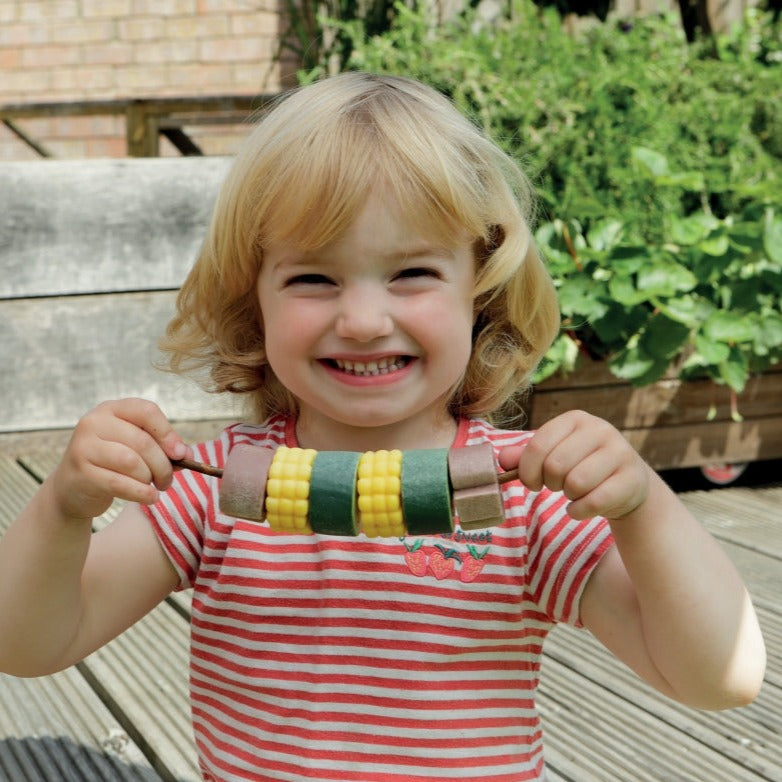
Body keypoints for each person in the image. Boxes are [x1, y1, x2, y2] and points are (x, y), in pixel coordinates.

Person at [0, 72, 765, 782]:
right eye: (312, 277)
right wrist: (64, 507)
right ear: (252, 300)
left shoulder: (524, 497)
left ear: (482, 290)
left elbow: (719, 677)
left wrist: (644, 507)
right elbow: (29, 644)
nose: (363, 320)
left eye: (411, 273)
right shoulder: (216, 491)